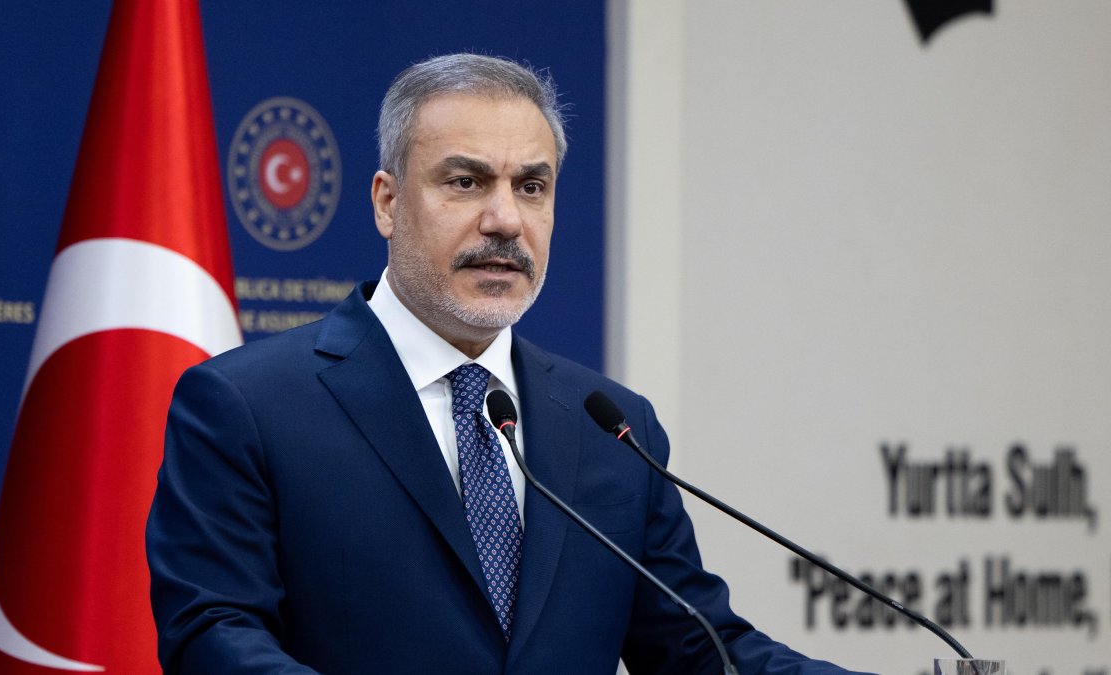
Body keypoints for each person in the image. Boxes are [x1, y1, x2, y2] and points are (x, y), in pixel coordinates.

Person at [146, 53, 870, 674]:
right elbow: (212, 635)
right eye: (465, 182)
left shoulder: (612, 429)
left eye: (531, 186)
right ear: (387, 202)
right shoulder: (248, 404)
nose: (504, 219)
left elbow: (700, 650)